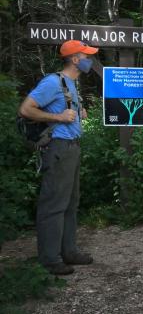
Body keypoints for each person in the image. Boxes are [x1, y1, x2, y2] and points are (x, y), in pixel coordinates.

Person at [18, 40, 98, 275]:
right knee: (54, 204)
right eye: (86, 56)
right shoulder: (52, 82)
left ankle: (69, 251)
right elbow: (26, 109)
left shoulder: (70, 83)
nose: (89, 60)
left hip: (71, 148)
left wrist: (78, 113)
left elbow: (67, 111)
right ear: (75, 59)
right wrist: (60, 118)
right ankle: (50, 259)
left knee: (71, 203)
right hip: (58, 149)